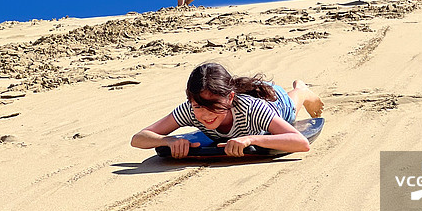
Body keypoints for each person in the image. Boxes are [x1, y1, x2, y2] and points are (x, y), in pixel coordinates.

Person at [131, 63, 324, 158]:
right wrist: (167, 140)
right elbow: (138, 138)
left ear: (230, 98)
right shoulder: (191, 109)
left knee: (291, 107)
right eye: (198, 106)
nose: (205, 115)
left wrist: (252, 139)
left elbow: (301, 143)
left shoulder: (251, 109)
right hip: (244, 96)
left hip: (274, 101)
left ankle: (302, 89)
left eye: (214, 107)